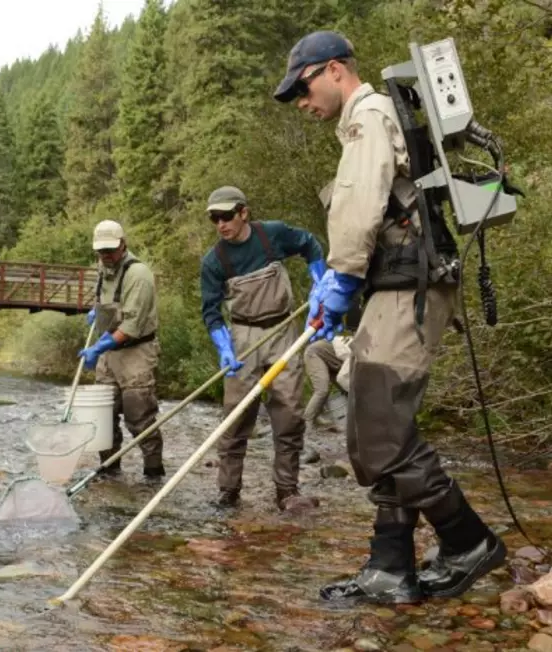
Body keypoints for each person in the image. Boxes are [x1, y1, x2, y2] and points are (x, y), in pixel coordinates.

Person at [274, 31, 506, 603]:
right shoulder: (369, 118)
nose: (301, 102)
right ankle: (390, 566)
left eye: (301, 88)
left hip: (411, 291)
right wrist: (342, 286)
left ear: (333, 70)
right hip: (398, 290)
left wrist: (341, 277)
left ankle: (467, 542)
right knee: (374, 426)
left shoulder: (368, 115)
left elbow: (358, 207)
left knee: (380, 434)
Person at [200, 185, 326, 510]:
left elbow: (311, 246)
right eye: (215, 218)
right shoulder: (214, 261)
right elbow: (212, 313)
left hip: (284, 330)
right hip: (242, 337)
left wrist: (320, 286)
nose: (221, 224)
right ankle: (228, 492)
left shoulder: (273, 235)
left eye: (227, 216)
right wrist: (224, 348)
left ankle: (287, 490)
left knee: (289, 414)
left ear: (244, 213)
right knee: (235, 419)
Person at [78, 220, 165, 479]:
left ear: (123, 244)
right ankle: (109, 471)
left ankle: (153, 474)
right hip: (109, 354)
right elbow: (107, 300)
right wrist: (97, 310)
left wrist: (99, 346)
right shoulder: (103, 268)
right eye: (101, 251)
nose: (106, 255)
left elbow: (131, 325)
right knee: (103, 416)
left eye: (111, 250)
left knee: (139, 416)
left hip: (137, 352)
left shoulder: (139, 275)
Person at [302, 332, 352, 433]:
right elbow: (342, 378)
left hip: (332, 359)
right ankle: (306, 423)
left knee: (348, 392)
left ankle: (352, 422)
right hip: (315, 354)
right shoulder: (357, 352)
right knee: (322, 390)